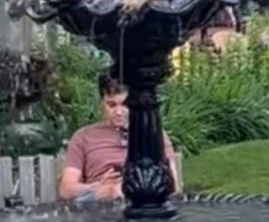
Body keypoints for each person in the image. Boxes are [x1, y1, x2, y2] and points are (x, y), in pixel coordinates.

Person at [59, 74, 179, 202]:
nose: (119, 112)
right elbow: (66, 189)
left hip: (144, 201)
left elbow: (174, 186)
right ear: (102, 102)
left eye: (125, 105)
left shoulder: (153, 133)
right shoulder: (84, 137)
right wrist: (98, 188)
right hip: (99, 206)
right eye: (111, 105)